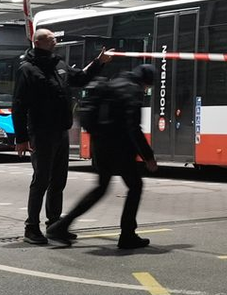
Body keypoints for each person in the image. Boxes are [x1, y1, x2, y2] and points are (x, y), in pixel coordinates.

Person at [10, 30, 111, 245]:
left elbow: (81, 78)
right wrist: (21, 138)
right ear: (39, 42)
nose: (55, 40)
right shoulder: (27, 69)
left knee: (58, 181)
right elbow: (19, 106)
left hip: (60, 132)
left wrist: (98, 62)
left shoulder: (59, 65)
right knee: (41, 180)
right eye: (50, 38)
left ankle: (54, 225)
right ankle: (31, 227)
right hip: (41, 132)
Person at [47, 63, 158, 250]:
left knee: (100, 188)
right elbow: (133, 127)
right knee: (135, 186)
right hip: (120, 148)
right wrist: (148, 156)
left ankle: (60, 226)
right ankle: (127, 235)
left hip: (100, 145)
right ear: (146, 81)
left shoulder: (116, 82)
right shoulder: (133, 91)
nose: (147, 89)